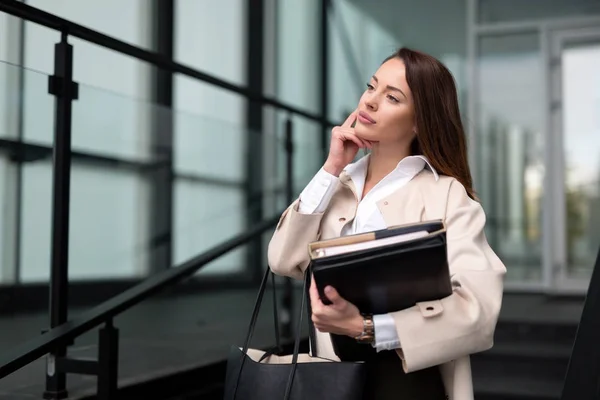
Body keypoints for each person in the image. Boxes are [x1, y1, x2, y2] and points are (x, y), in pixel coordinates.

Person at [267, 47, 506, 400]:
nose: (371, 102)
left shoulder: (446, 195)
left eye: (392, 97)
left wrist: (367, 327)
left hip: (407, 382)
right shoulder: (338, 183)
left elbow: (478, 311)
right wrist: (331, 168)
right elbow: (282, 260)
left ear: (418, 121)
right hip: (334, 379)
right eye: (371, 87)